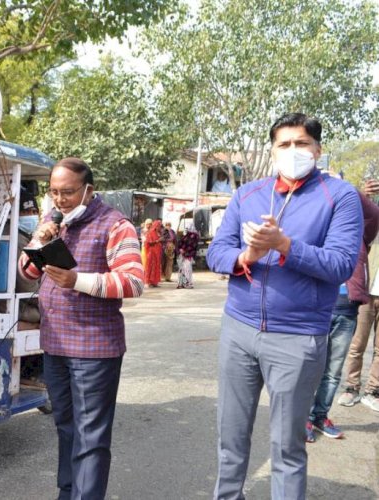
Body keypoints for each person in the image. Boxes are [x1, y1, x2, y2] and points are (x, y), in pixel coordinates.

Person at [206, 112, 363, 500]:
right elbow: (216, 252)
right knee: (231, 439)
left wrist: (285, 246)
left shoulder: (340, 197)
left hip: (298, 337)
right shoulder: (247, 194)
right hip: (239, 331)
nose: (293, 151)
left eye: (302, 143)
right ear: (272, 149)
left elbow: (341, 264)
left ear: (318, 149)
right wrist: (246, 255)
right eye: (284, 144)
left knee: (286, 448)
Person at [18, 157, 144, 500]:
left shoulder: (115, 225)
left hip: (93, 350)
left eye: (68, 193)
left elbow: (133, 282)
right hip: (56, 345)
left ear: (89, 191)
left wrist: (78, 281)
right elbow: (26, 272)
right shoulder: (53, 220)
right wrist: (39, 239)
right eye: (54, 192)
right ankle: (68, 492)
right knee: (66, 428)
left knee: (91, 437)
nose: (60, 200)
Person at [305, 185, 379, 441]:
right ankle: (302, 418)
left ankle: (319, 415)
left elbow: (373, 213)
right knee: (309, 366)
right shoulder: (315, 229)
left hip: (347, 307)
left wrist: (351, 188)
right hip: (316, 306)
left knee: (333, 370)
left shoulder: (359, 234)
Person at [338, 180, 379, 412]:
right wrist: (364, 195)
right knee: (357, 343)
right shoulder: (370, 216)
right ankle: (351, 387)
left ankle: (373, 390)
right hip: (368, 289)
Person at [16, 188, 41, 323]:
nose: (31, 216)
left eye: (34, 212)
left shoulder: (26, 237)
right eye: (25, 212)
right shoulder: (18, 240)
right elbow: (26, 284)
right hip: (19, 303)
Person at [176, 224, 199, 289]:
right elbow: (180, 243)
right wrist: (181, 249)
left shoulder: (194, 236)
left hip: (188, 255)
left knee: (186, 269)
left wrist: (183, 250)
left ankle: (186, 283)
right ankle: (182, 283)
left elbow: (192, 246)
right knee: (183, 269)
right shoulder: (187, 236)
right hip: (184, 255)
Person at [143, 220, 163, 287]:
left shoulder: (159, 233)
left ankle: (155, 282)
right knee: (151, 266)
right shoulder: (151, 233)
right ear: (155, 226)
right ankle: (149, 282)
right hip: (152, 252)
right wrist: (158, 240)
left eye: (160, 226)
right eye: (158, 226)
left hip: (157, 252)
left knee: (156, 266)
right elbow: (149, 242)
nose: (159, 227)